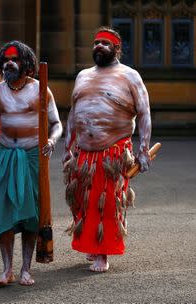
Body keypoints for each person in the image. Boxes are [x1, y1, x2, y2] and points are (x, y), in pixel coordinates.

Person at [62, 26, 151, 272]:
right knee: (82, 201)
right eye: (96, 42)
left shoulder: (130, 76)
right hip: (83, 152)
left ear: (117, 48)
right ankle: (92, 245)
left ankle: (103, 255)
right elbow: (73, 114)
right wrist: (67, 147)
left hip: (113, 150)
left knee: (106, 204)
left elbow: (144, 113)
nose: (98, 46)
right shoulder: (82, 76)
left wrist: (143, 150)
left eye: (105, 43)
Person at [0, 41, 62, 286]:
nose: (10, 63)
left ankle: (26, 269)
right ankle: (6, 269)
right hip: (7, 155)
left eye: (15, 59)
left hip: (32, 156)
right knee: (2, 212)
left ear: (26, 63)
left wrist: (51, 140)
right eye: (6, 59)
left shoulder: (41, 90)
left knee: (30, 215)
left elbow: (57, 124)